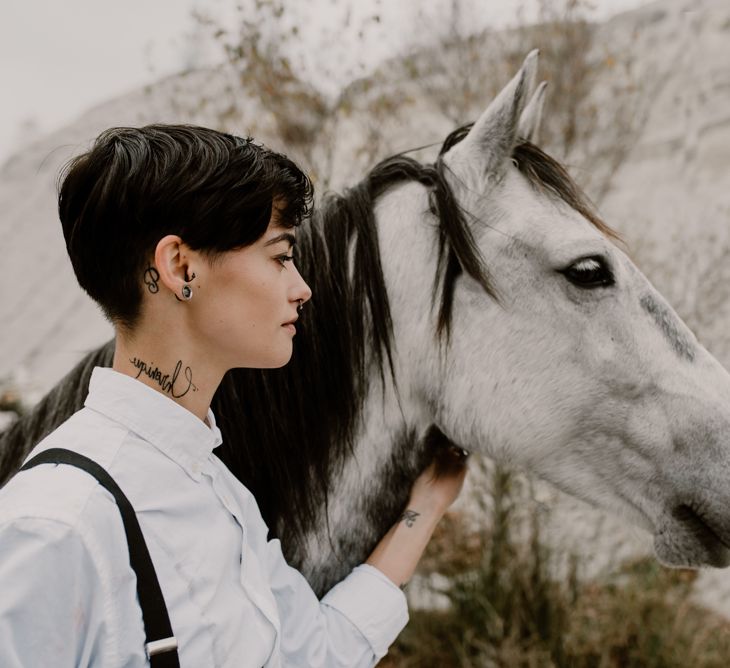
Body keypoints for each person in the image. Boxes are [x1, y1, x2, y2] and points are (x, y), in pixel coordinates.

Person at [0, 125, 467, 667]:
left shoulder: (223, 496)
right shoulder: (57, 526)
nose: (302, 286)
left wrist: (427, 507)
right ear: (181, 267)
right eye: (279, 256)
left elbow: (315, 653)